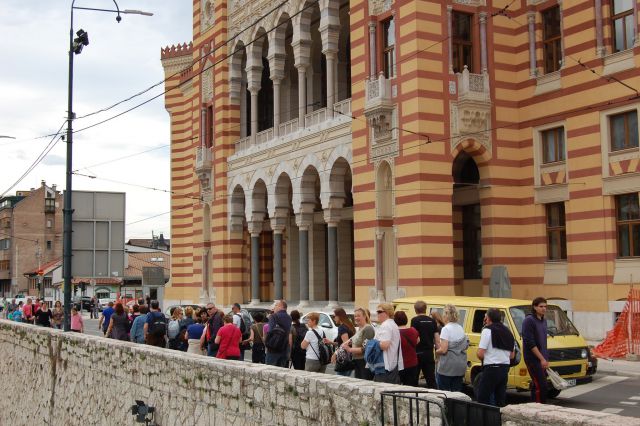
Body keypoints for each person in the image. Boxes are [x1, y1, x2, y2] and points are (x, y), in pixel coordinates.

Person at [476, 308, 515, 407]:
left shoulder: (487, 330)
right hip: (505, 368)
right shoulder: (508, 332)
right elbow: (512, 355)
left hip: (491, 368)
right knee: (500, 399)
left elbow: (480, 353)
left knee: (482, 398)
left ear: (488, 318)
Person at [435, 304, 468, 392]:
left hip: (448, 367)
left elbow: (444, 349)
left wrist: (436, 351)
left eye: (443, 314)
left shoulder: (446, 329)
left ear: (446, 315)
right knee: (456, 392)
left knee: (444, 392)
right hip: (460, 366)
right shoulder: (460, 328)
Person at [522, 297, 549, 404]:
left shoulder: (544, 321)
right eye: (541, 306)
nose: (544, 309)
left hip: (542, 358)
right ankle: (538, 409)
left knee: (539, 385)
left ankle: (534, 406)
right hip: (533, 359)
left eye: (545, 306)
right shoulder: (529, 321)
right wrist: (542, 359)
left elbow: (543, 342)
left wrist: (546, 358)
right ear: (534, 307)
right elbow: (530, 342)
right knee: (540, 386)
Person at [411, 300, 439, 388]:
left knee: (414, 379)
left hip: (418, 353)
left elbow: (415, 337)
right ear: (426, 309)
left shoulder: (414, 320)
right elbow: (437, 339)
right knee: (431, 379)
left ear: (415, 310)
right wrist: (438, 354)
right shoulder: (432, 321)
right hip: (429, 353)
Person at [373, 303, 404, 383]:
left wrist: (370, 343)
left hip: (384, 366)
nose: (377, 314)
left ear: (387, 313)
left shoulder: (386, 325)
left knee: (381, 392)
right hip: (392, 365)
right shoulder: (393, 324)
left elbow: (385, 345)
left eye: (379, 312)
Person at [342, 307, 375, 380]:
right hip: (357, 361)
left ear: (364, 316)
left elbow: (366, 348)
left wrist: (350, 350)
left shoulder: (368, 328)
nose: (356, 318)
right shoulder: (360, 328)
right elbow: (352, 339)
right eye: (355, 316)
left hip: (364, 362)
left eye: (358, 316)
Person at [395, 311, 419, 386]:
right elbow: (418, 341)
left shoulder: (395, 333)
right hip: (413, 363)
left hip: (400, 364)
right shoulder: (413, 330)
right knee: (411, 387)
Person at [265, 300, 292, 367]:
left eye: (276, 305)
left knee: (270, 370)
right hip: (284, 348)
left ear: (280, 306)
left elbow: (270, 332)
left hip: (273, 349)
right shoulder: (289, 317)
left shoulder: (273, 316)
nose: (274, 308)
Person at [330, 307, 356, 376]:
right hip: (350, 358)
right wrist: (331, 342)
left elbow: (345, 344)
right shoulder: (349, 325)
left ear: (339, 316)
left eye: (334, 316)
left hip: (344, 360)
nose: (334, 318)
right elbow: (345, 342)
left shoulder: (342, 328)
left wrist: (335, 354)